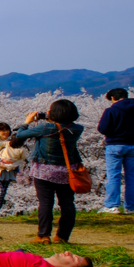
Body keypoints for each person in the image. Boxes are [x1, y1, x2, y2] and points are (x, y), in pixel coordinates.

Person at [15, 99, 84, 244]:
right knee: (67, 204)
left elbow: (20, 135)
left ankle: (43, 235)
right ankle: (63, 237)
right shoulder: (77, 128)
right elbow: (62, 126)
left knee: (46, 203)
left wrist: (26, 121)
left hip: (44, 170)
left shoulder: (45, 127)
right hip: (67, 171)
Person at [97, 88, 134, 215]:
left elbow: (102, 129)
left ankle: (112, 205)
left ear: (113, 98)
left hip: (115, 145)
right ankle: (130, 207)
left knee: (114, 175)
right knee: (132, 177)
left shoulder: (112, 110)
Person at [0, 123, 28, 218]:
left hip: (8, 172)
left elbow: (21, 159)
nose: (5, 132)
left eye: (7, 130)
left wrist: (10, 166)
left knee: (3, 193)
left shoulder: (14, 142)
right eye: (2, 130)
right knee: (0, 191)